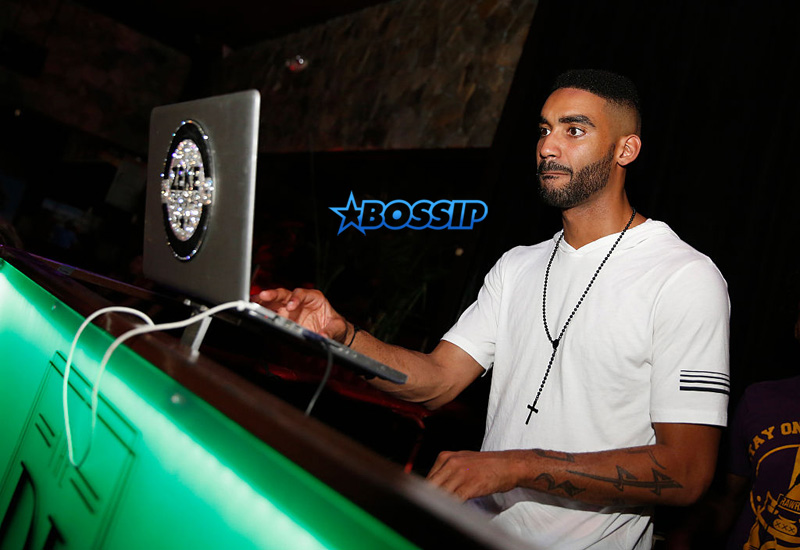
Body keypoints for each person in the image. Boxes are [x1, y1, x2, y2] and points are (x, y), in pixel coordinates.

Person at [255, 69, 731, 549]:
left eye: (574, 130)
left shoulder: (682, 277)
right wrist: (343, 336)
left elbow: (688, 471)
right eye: (544, 129)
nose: (548, 147)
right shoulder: (517, 265)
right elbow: (437, 381)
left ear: (625, 150)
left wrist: (517, 466)